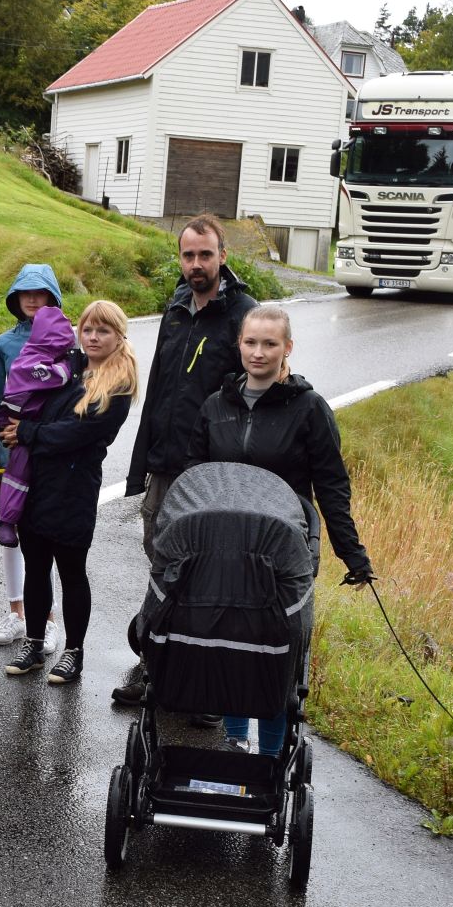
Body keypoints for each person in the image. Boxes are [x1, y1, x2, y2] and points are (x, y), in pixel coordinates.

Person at [177, 303, 375, 753]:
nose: (259, 352)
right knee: (231, 640)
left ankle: (269, 753)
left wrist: (352, 553)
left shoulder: (309, 409)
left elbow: (330, 486)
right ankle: (233, 742)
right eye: (251, 342)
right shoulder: (215, 406)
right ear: (239, 345)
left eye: (270, 344)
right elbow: (195, 475)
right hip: (225, 545)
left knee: (278, 650)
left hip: (286, 549)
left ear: (287, 348)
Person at [112, 214, 259, 708]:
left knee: (209, 574)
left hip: (213, 475)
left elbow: (255, 397)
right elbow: (158, 390)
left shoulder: (244, 315)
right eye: (188, 255)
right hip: (166, 465)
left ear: (223, 256)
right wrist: (142, 464)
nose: (196, 264)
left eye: (205, 255)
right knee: (162, 565)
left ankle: (202, 685)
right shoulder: (176, 307)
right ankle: (153, 663)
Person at [0, 300, 138, 686]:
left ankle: (73, 652)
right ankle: (35, 642)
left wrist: (27, 434)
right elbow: (33, 402)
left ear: (118, 336)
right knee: (36, 565)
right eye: (88, 329)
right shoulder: (65, 364)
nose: (93, 337)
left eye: (103, 331)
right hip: (37, 482)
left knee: (72, 571)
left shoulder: (120, 384)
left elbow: (79, 434)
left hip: (75, 489)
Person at [0, 264, 63, 652]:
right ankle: (16, 612)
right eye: (24, 294)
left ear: (52, 297)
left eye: (40, 293)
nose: (32, 300)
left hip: (49, 454)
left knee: (44, 535)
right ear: (15, 299)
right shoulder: (2, 346)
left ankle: (46, 619)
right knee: (9, 533)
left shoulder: (67, 340)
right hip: (12, 456)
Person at [0, 303, 78, 549]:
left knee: (25, 470)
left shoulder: (40, 355)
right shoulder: (30, 361)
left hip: (27, 420)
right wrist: (70, 366)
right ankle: (5, 519)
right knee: (19, 470)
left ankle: (8, 517)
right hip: (13, 419)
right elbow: (55, 377)